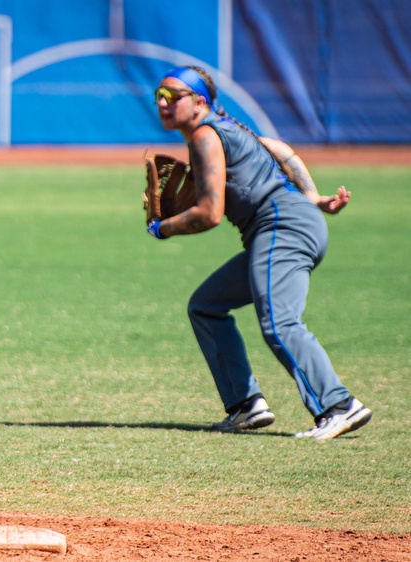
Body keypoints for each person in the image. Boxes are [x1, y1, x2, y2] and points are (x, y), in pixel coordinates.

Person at [147, 66, 371, 442]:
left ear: (199, 102)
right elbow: (283, 151)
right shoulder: (226, 128)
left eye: (173, 95)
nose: (163, 103)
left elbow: (209, 214)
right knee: (206, 305)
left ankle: (339, 405)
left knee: (279, 322)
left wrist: (162, 227)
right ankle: (246, 406)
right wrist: (313, 196)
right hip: (290, 224)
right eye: (159, 95)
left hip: (283, 226)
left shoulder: (205, 135)